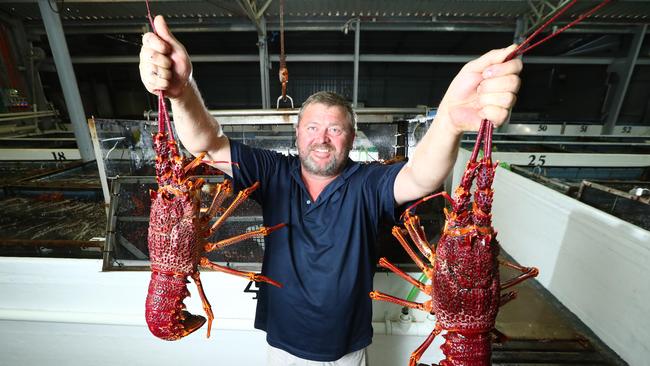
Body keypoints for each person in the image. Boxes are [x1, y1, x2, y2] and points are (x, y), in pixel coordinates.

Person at [139, 15, 522, 366]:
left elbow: (422, 176)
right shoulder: (273, 172)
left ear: (352, 138)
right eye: (312, 128)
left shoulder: (368, 184)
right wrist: (181, 91)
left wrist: (450, 120)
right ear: (297, 134)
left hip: (346, 350)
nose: (322, 139)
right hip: (281, 345)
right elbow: (207, 143)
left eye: (335, 129)